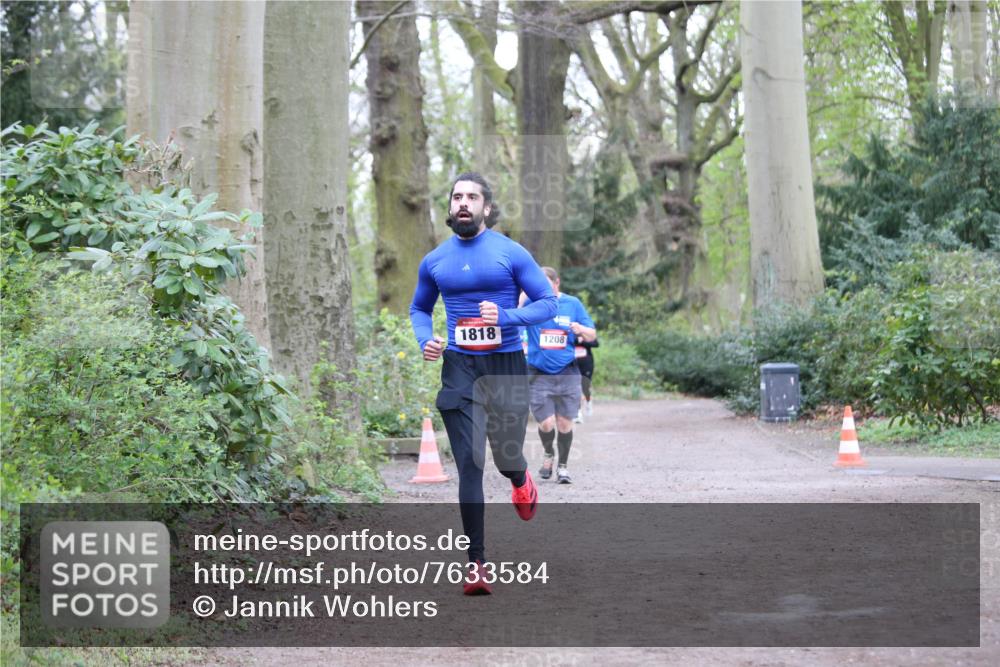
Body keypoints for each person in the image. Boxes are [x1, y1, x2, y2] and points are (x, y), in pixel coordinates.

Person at [410, 172, 557, 595]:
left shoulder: (510, 252)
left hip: (505, 365)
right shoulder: (435, 260)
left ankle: (520, 479)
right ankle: (476, 564)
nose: (463, 202)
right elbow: (419, 308)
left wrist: (507, 317)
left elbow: (547, 303)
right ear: (450, 206)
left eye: (472, 197)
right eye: (457, 196)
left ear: (486, 208)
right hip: (460, 366)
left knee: (507, 458)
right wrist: (426, 339)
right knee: (470, 464)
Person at [523, 267, 597, 484]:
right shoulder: (531, 302)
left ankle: (563, 467)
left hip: (567, 371)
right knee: (546, 423)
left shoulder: (572, 304)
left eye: (546, 284)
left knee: (565, 423)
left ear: (557, 283)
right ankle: (548, 453)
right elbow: (514, 315)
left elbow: (592, 334)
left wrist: (580, 329)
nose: (541, 289)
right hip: (538, 373)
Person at [575, 336, 598, 422]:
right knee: (575, 388)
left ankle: (588, 402)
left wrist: (583, 341)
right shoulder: (569, 332)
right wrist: (575, 340)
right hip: (573, 363)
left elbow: (596, 344)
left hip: (586, 363)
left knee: (585, 388)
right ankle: (577, 413)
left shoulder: (587, 332)